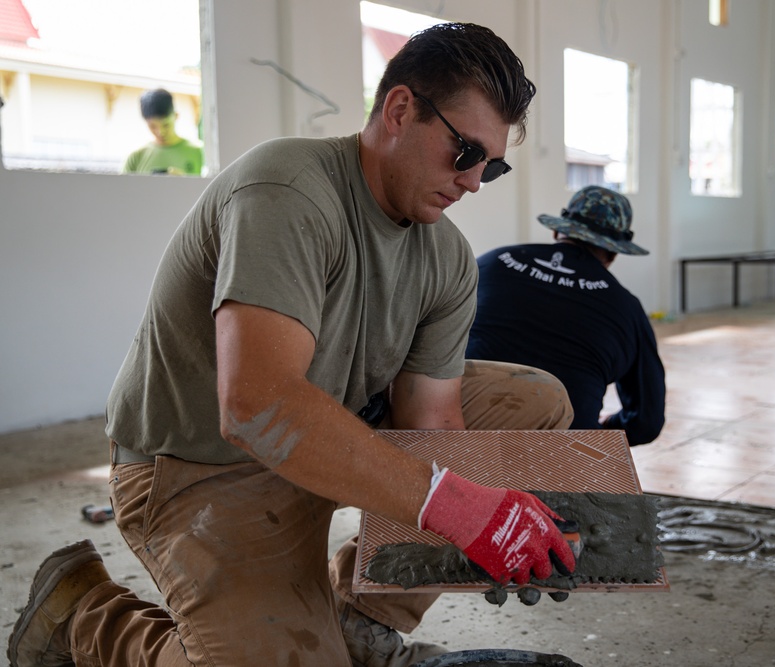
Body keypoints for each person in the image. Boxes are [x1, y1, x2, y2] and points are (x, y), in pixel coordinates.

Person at [8, 23, 578, 667]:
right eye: (465, 151)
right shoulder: (287, 191)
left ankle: (364, 620)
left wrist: (496, 517)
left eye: (493, 166)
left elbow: (433, 423)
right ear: (399, 110)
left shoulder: (444, 255)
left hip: (324, 435)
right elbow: (255, 405)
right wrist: (457, 507)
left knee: (532, 402)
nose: (474, 181)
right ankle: (85, 617)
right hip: (203, 470)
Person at [467, 185, 666, 447]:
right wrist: (607, 426)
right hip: (561, 457)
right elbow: (646, 421)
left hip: (462, 436)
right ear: (615, 252)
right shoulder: (627, 309)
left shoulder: (491, 262)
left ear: (557, 230)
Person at [122, 88, 204, 175]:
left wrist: (184, 181)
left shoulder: (200, 152)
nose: (160, 132)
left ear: (176, 116)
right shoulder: (135, 158)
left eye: (166, 125)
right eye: (153, 126)